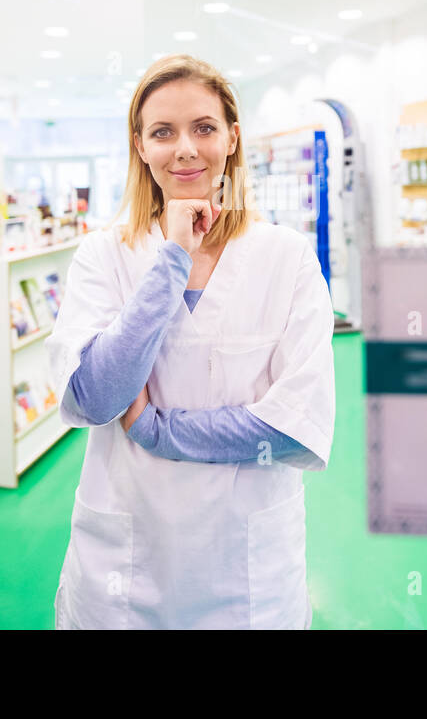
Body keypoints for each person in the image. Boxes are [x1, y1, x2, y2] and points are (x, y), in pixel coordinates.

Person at [46, 54, 336, 629]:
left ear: (231, 137)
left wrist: (158, 431)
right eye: (162, 132)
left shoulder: (287, 258)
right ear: (140, 146)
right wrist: (171, 260)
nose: (184, 148)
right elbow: (95, 397)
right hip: (126, 566)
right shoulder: (103, 256)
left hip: (245, 571)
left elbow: (293, 424)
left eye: (203, 127)